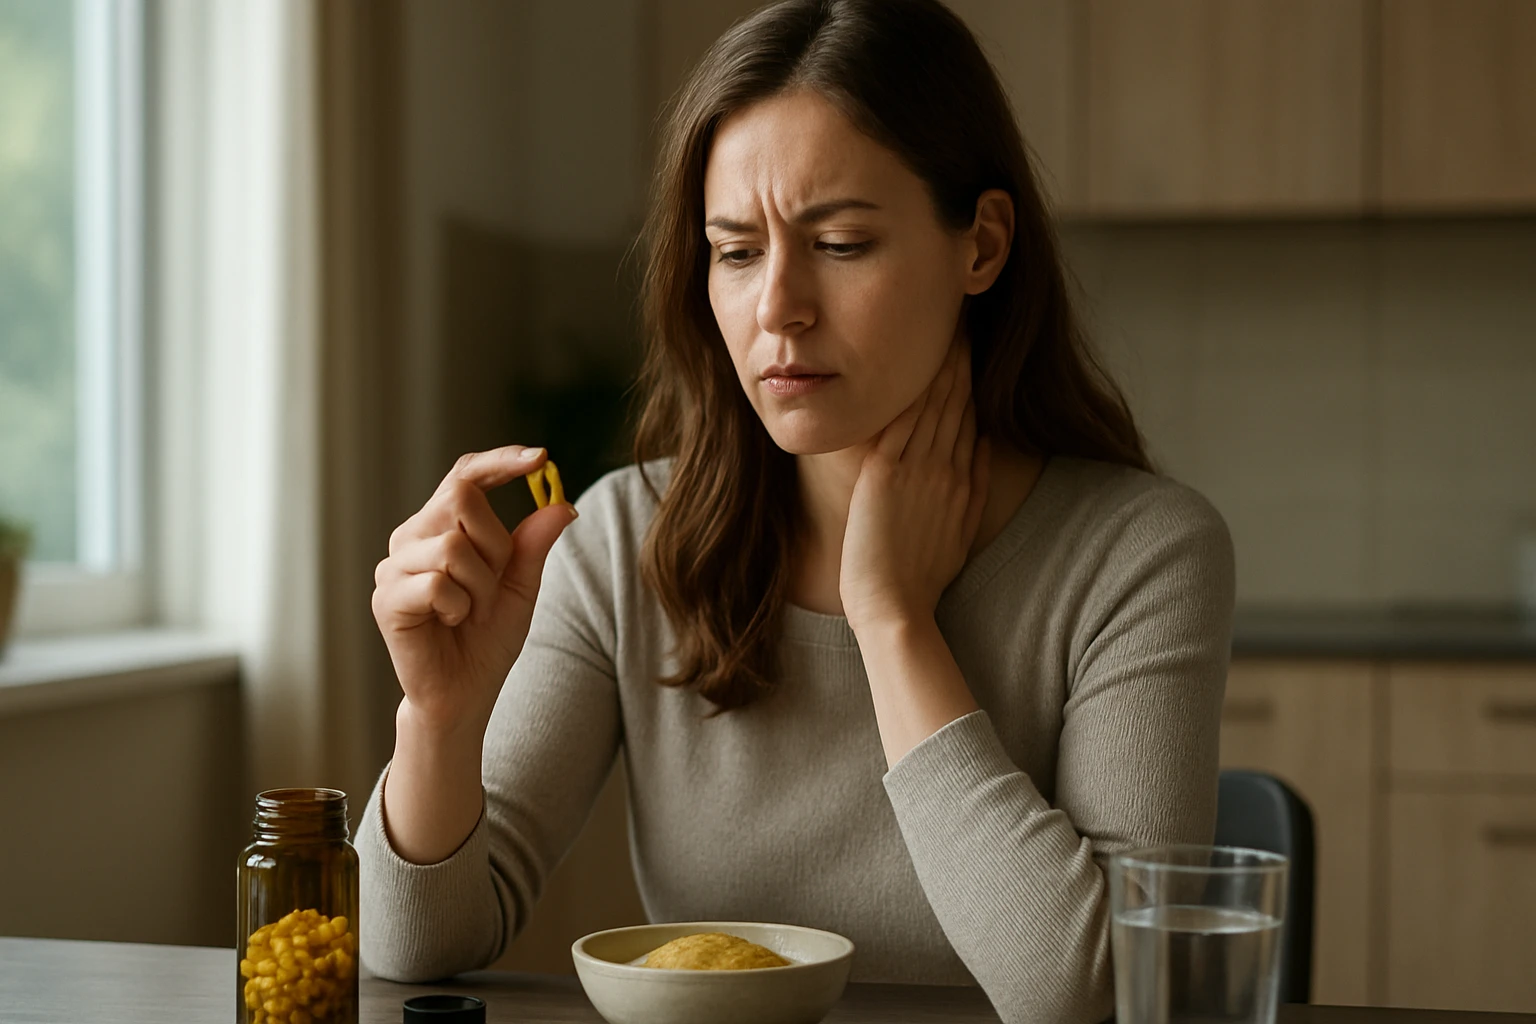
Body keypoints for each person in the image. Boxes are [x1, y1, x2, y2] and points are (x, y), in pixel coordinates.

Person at [358, 1, 1235, 1021]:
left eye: (843, 242)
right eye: (735, 252)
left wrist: (894, 618)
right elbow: (415, 943)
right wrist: (439, 716)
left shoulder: (1142, 554)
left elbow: (1093, 990)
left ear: (982, 246)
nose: (778, 306)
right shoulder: (620, 542)